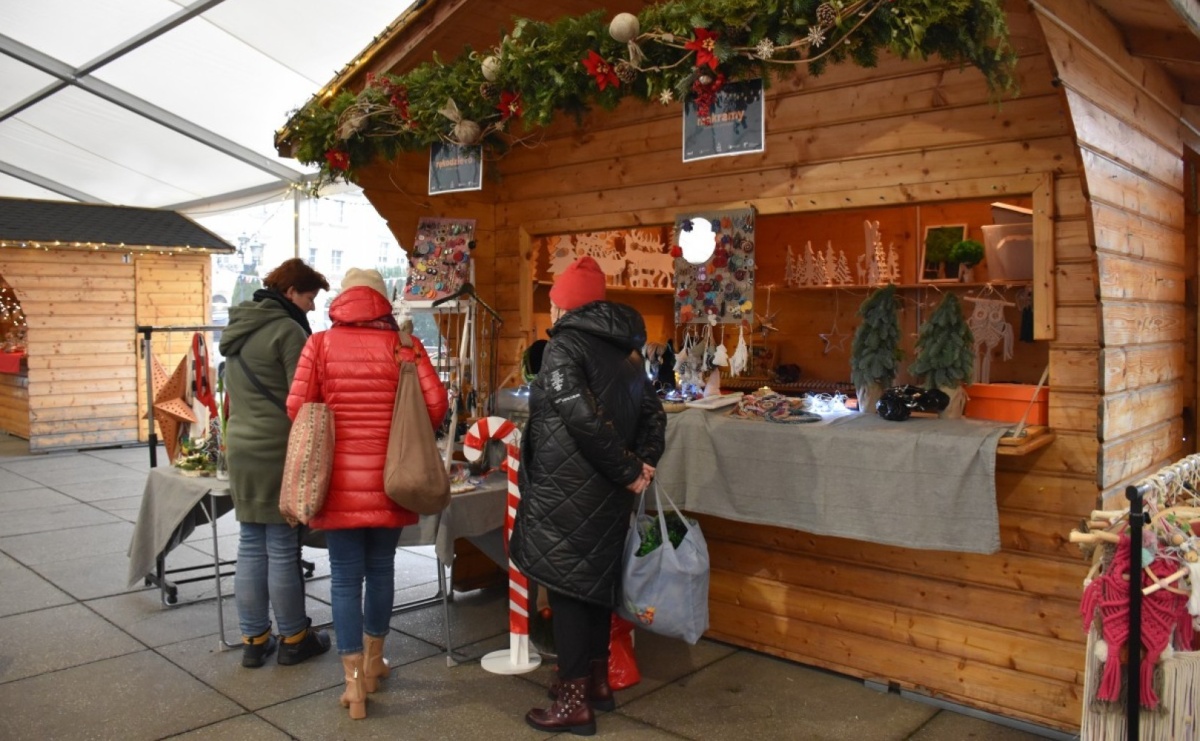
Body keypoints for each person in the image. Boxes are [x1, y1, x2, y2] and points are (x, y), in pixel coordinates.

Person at [510, 256, 667, 736]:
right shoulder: (630, 353)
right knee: (594, 584)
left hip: (567, 490)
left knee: (570, 590)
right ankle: (597, 683)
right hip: (606, 494)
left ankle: (573, 702)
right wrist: (638, 467)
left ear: (564, 304)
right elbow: (655, 417)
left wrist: (626, 469)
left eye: (555, 302)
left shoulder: (564, 348)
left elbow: (578, 416)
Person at [286, 267, 448, 720]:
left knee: (342, 578)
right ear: (382, 302)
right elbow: (437, 405)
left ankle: (353, 685)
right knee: (380, 570)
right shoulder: (405, 346)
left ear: (342, 301)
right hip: (394, 479)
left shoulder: (319, 344)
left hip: (337, 482)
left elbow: (297, 406)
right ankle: (376, 663)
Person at [219, 258, 332, 668]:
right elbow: (303, 397)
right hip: (278, 449)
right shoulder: (287, 331)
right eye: (309, 296)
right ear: (290, 293)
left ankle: (254, 640)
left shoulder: (239, 327)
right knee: (282, 546)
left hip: (242, 447)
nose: (312, 307)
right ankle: (294, 638)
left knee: (250, 543)